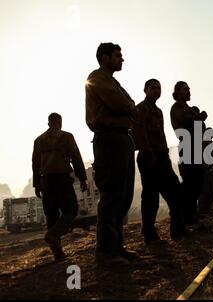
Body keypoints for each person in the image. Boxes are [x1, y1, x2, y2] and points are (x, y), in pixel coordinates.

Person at [85, 42, 137, 267]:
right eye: (118, 56)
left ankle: (117, 247)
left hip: (122, 139)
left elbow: (130, 105)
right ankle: (105, 252)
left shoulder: (113, 81)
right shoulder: (96, 78)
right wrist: (128, 106)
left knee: (123, 196)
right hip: (108, 140)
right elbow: (120, 104)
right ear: (105, 58)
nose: (122, 59)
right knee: (112, 195)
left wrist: (128, 106)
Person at [132, 79, 186, 245]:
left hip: (162, 156)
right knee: (151, 197)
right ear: (145, 90)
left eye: (158, 88)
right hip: (149, 157)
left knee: (175, 192)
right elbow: (139, 133)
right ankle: (149, 234)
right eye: (153, 88)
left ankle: (177, 229)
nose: (156, 91)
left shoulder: (158, 111)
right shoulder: (140, 109)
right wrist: (148, 154)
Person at [32, 113, 87, 261]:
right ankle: (54, 234)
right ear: (59, 122)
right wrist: (83, 178)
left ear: (48, 123)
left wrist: (37, 185)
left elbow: (35, 165)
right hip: (62, 180)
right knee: (71, 210)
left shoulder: (39, 140)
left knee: (52, 216)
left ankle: (57, 253)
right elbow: (76, 158)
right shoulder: (66, 137)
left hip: (46, 182)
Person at [170, 81, 208, 225]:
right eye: (185, 89)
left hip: (198, 148)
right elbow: (186, 123)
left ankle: (192, 214)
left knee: (197, 183)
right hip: (187, 147)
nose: (189, 92)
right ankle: (185, 215)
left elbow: (200, 128)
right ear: (178, 92)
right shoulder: (177, 108)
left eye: (189, 89)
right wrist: (200, 117)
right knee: (189, 183)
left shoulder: (190, 109)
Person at [198, 127, 213, 217]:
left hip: (212, 167)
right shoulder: (202, 143)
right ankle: (202, 209)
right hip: (205, 168)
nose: (212, 135)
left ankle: (208, 207)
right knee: (207, 190)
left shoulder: (212, 144)